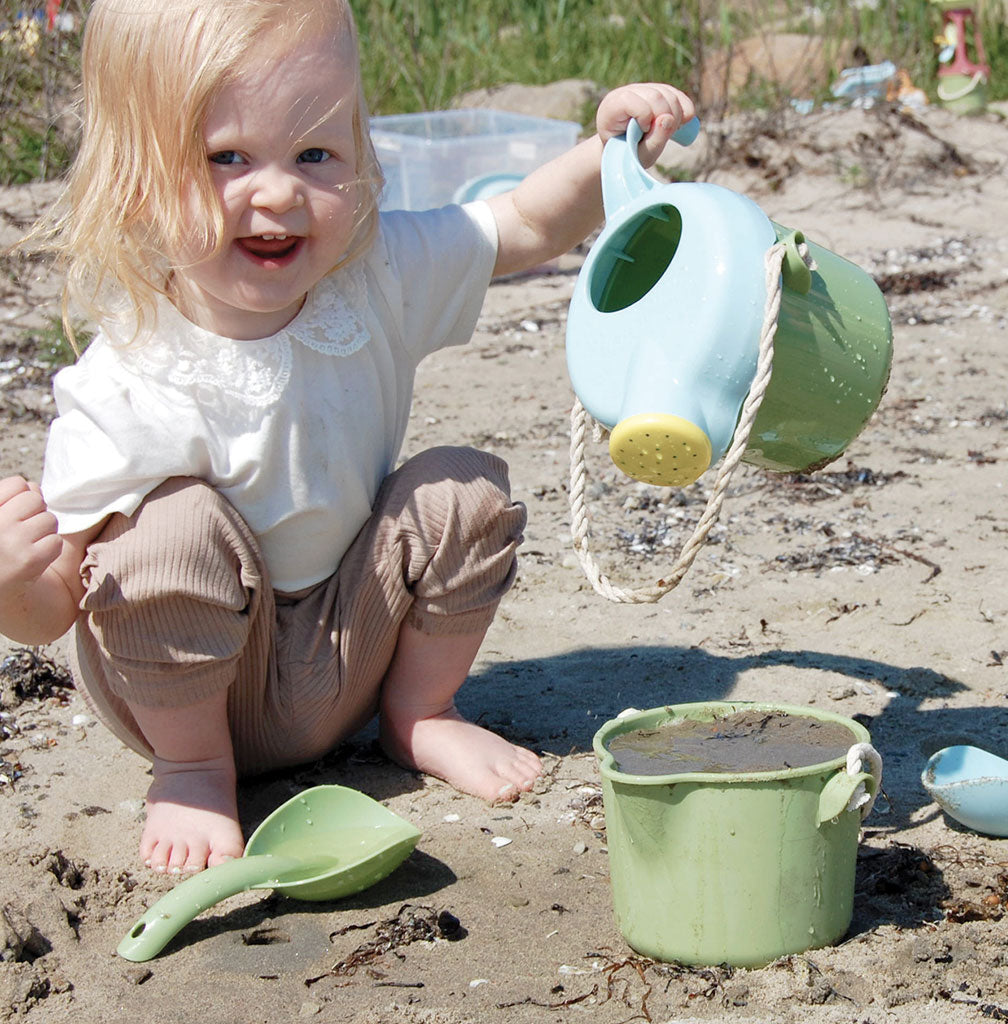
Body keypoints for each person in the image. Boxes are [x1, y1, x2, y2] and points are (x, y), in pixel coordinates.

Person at [0, 0, 695, 876]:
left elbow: (523, 224)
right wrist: (11, 584)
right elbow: (59, 605)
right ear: (137, 178)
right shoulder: (127, 379)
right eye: (227, 158)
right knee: (165, 534)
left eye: (315, 154)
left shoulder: (374, 278)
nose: (281, 192)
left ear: (361, 159)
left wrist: (612, 152)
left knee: (462, 492)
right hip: (185, 689)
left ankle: (420, 714)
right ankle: (192, 775)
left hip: (346, 649)